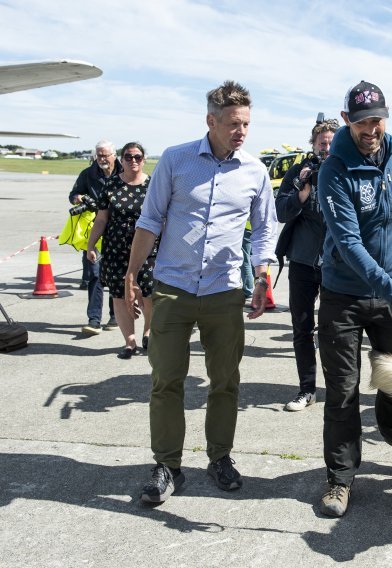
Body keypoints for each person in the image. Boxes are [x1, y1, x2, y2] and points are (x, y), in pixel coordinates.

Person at [126, 81, 278, 504]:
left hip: (224, 291)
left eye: (246, 123)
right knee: (166, 380)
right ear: (211, 120)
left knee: (225, 381)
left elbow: (265, 226)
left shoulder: (254, 171)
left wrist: (262, 273)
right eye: (233, 123)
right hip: (173, 289)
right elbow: (151, 218)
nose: (241, 131)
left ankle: (220, 457)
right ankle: (168, 465)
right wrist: (133, 273)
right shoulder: (176, 160)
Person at [315, 80, 392, 517]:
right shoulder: (333, 168)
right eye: (361, 122)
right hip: (345, 293)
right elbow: (347, 242)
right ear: (347, 121)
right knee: (342, 391)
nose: (370, 129)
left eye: (377, 120)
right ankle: (340, 477)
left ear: (386, 115)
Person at [275, 115, 338, 412]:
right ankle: (306, 389)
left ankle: (337, 388)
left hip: (337, 265)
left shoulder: (345, 171)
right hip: (302, 261)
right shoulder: (299, 174)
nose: (326, 147)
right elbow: (281, 212)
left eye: (331, 142)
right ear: (312, 145)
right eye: (321, 142)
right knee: (302, 328)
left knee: (334, 330)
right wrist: (301, 194)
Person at [86, 142, 156, 359]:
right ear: (121, 160)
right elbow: (101, 218)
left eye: (137, 157)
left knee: (148, 293)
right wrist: (91, 245)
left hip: (147, 249)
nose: (133, 161)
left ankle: (148, 331)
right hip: (116, 249)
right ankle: (129, 341)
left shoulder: (153, 185)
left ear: (144, 159)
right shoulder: (111, 185)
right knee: (118, 294)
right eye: (128, 157)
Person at [69, 140, 122, 335]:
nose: (101, 159)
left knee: (115, 276)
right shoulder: (88, 174)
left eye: (105, 155)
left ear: (113, 155)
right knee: (95, 275)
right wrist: (80, 198)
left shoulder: (124, 171)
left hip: (118, 233)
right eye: (98, 155)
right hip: (95, 232)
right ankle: (94, 319)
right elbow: (73, 195)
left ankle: (115, 315)